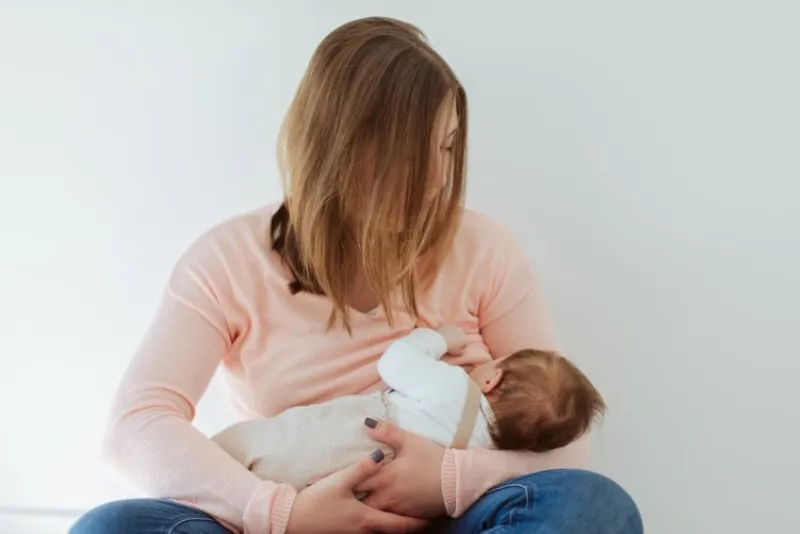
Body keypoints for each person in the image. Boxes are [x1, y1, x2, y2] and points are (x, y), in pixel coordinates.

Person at [70, 16, 643, 534]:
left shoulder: (485, 249)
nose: (435, 181)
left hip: (449, 520)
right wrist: (282, 514)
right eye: (407, 156)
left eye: (445, 149)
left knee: (591, 508)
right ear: (335, 149)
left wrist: (449, 480)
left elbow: (569, 446)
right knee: (112, 528)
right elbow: (135, 428)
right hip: (292, 512)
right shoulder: (228, 259)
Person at [211, 325, 607, 491]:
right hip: (361, 484)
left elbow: (395, 362)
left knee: (254, 445)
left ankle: (212, 464)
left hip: (345, 434)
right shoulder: (484, 453)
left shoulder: (455, 388)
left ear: (491, 380)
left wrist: (438, 338)